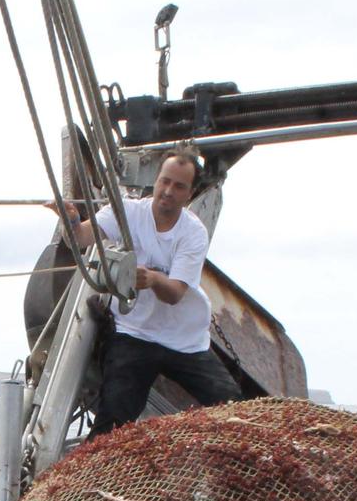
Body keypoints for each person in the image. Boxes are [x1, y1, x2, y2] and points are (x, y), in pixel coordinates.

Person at [60, 149, 242, 434]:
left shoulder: (193, 233)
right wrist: (70, 220)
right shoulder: (127, 211)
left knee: (232, 404)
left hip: (184, 339)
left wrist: (153, 279)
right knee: (112, 423)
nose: (168, 191)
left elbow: (174, 294)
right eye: (164, 181)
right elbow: (81, 238)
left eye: (179, 186)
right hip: (135, 332)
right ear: (156, 181)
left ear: (190, 193)